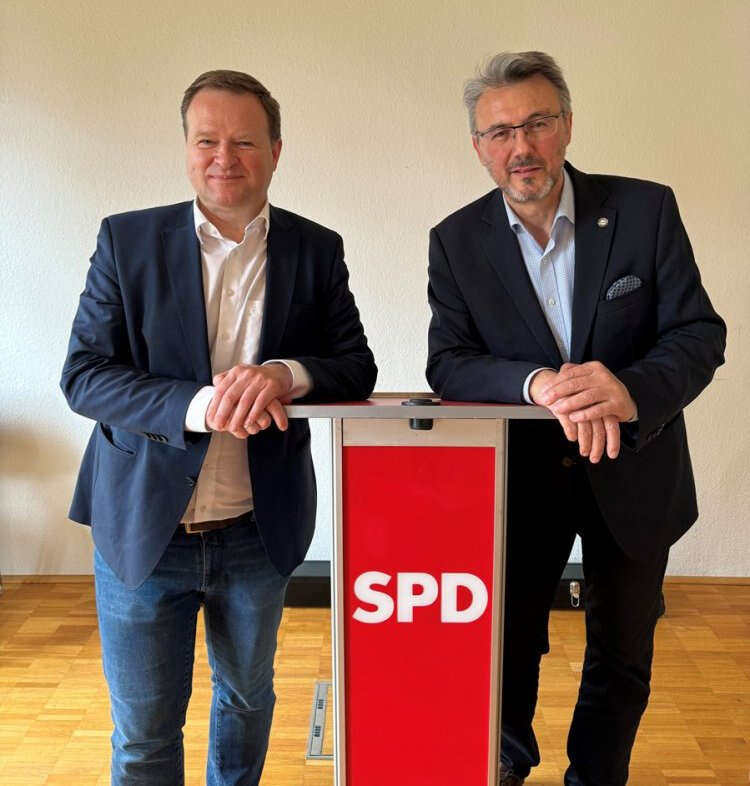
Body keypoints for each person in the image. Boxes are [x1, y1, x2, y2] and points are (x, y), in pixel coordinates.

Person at [61, 69, 376, 785]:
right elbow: (84, 374)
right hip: (143, 528)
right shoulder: (127, 241)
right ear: (186, 148)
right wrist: (199, 406)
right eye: (207, 140)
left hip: (256, 531)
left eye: (244, 141)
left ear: (276, 151)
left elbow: (354, 365)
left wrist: (286, 374)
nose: (223, 157)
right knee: (144, 734)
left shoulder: (315, 249)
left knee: (246, 700)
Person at [426, 51, 725, 786]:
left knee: (621, 653)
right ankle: (507, 765)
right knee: (508, 643)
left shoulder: (645, 210)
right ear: (479, 147)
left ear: (566, 125)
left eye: (536, 123)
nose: (520, 146)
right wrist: (536, 385)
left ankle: (595, 777)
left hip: (638, 469)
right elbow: (449, 362)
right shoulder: (455, 241)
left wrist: (628, 390)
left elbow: (698, 333)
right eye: (500, 132)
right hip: (522, 483)